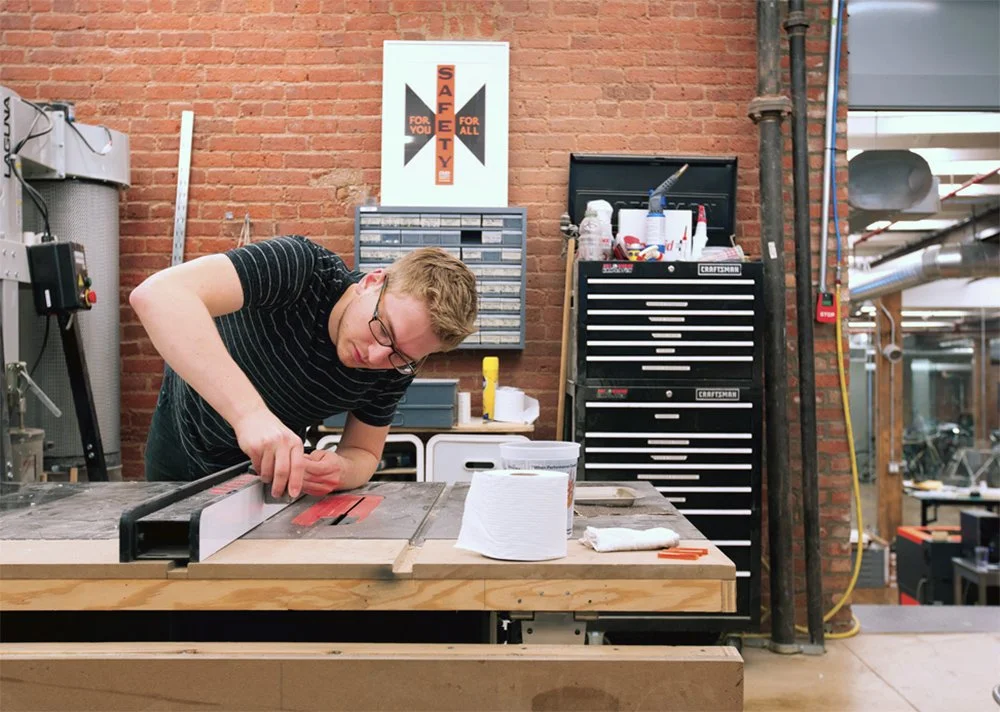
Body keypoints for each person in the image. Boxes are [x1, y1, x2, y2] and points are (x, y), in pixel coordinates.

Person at [130, 235, 478, 499]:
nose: (376, 357)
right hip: (181, 450)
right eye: (383, 329)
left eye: (400, 355)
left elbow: (364, 452)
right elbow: (159, 295)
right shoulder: (301, 269)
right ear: (372, 282)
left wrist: (341, 470)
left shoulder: (396, 366)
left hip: (265, 482)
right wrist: (249, 414)